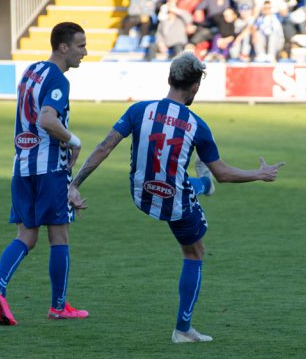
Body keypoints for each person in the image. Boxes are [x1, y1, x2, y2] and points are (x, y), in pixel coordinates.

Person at [67, 52, 285, 343]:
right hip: (175, 201)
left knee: (177, 180)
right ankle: (183, 329)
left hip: (140, 192)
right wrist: (259, 174)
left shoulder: (138, 111)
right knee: (195, 252)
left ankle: (201, 184)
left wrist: (75, 184)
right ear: (195, 87)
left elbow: (105, 146)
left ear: (169, 79)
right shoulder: (197, 126)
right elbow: (224, 173)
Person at [0, 22, 89, 325]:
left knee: (26, 237)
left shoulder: (32, 71)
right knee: (59, 237)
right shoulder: (58, 79)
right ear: (64, 47)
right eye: (80, 46)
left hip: (22, 167)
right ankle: (58, 306)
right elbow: (46, 119)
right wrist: (74, 140)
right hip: (49, 169)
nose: (85, 52)